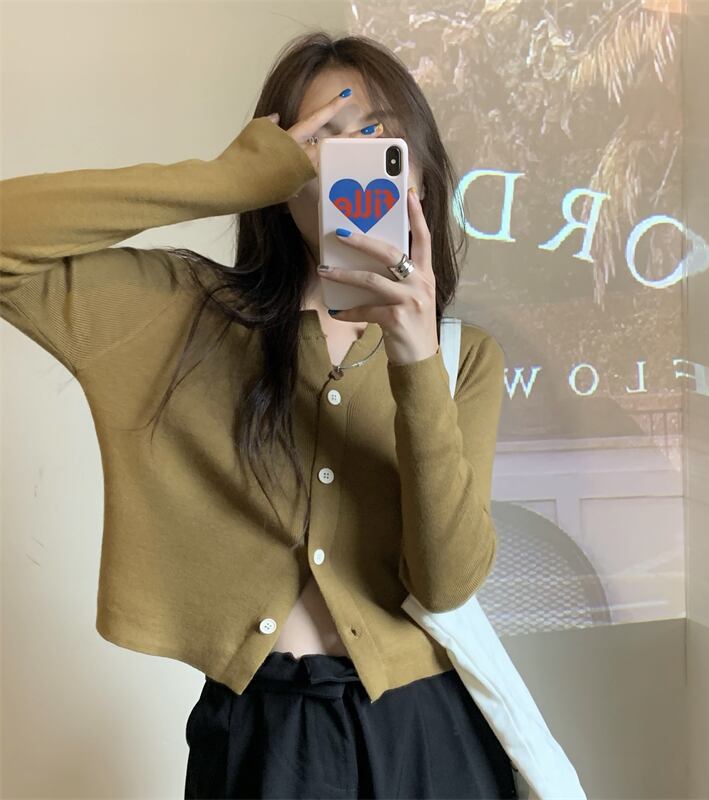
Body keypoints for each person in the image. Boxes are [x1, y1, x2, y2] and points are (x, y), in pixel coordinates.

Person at [1, 29, 513, 799]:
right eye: (322, 140)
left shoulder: (461, 357)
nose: (350, 161)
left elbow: (444, 583)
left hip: (429, 733)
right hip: (262, 738)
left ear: (419, 170)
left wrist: (414, 358)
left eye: (379, 136)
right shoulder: (185, 317)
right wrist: (224, 179)